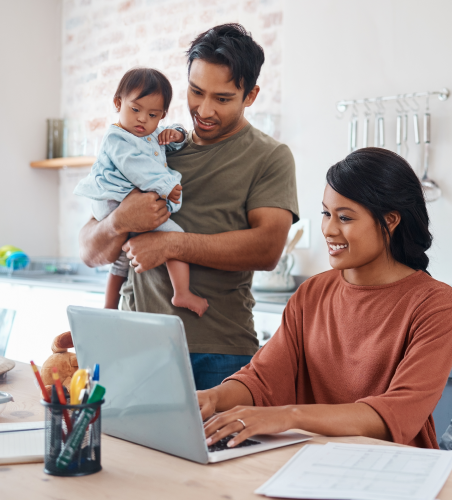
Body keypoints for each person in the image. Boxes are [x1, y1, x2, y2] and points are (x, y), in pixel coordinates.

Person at [78, 24, 299, 389]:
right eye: (196, 92)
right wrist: (119, 220)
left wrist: (172, 244)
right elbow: (89, 250)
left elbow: (268, 249)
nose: (205, 109)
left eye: (223, 98)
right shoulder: (150, 147)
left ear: (251, 95)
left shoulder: (269, 157)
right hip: (136, 344)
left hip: (221, 353)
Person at [199, 148, 452, 450]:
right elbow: (263, 378)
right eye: (326, 213)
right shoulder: (312, 293)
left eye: (345, 217)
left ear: (390, 220)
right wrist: (211, 398)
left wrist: (289, 416)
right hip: (310, 458)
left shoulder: (435, 304)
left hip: (396, 468)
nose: (329, 229)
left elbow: (399, 413)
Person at [74, 68, 208, 316]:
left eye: (153, 114)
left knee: (122, 260)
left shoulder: (151, 133)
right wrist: (166, 187)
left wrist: (176, 134)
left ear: (162, 115)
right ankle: (183, 293)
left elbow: (172, 140)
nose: (142, 119)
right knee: (175, 235)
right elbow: (136, 167)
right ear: (118, 103)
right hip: (113, 200)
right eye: (135, 110)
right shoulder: (118, 137)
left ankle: (109, 308)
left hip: (118, 200)